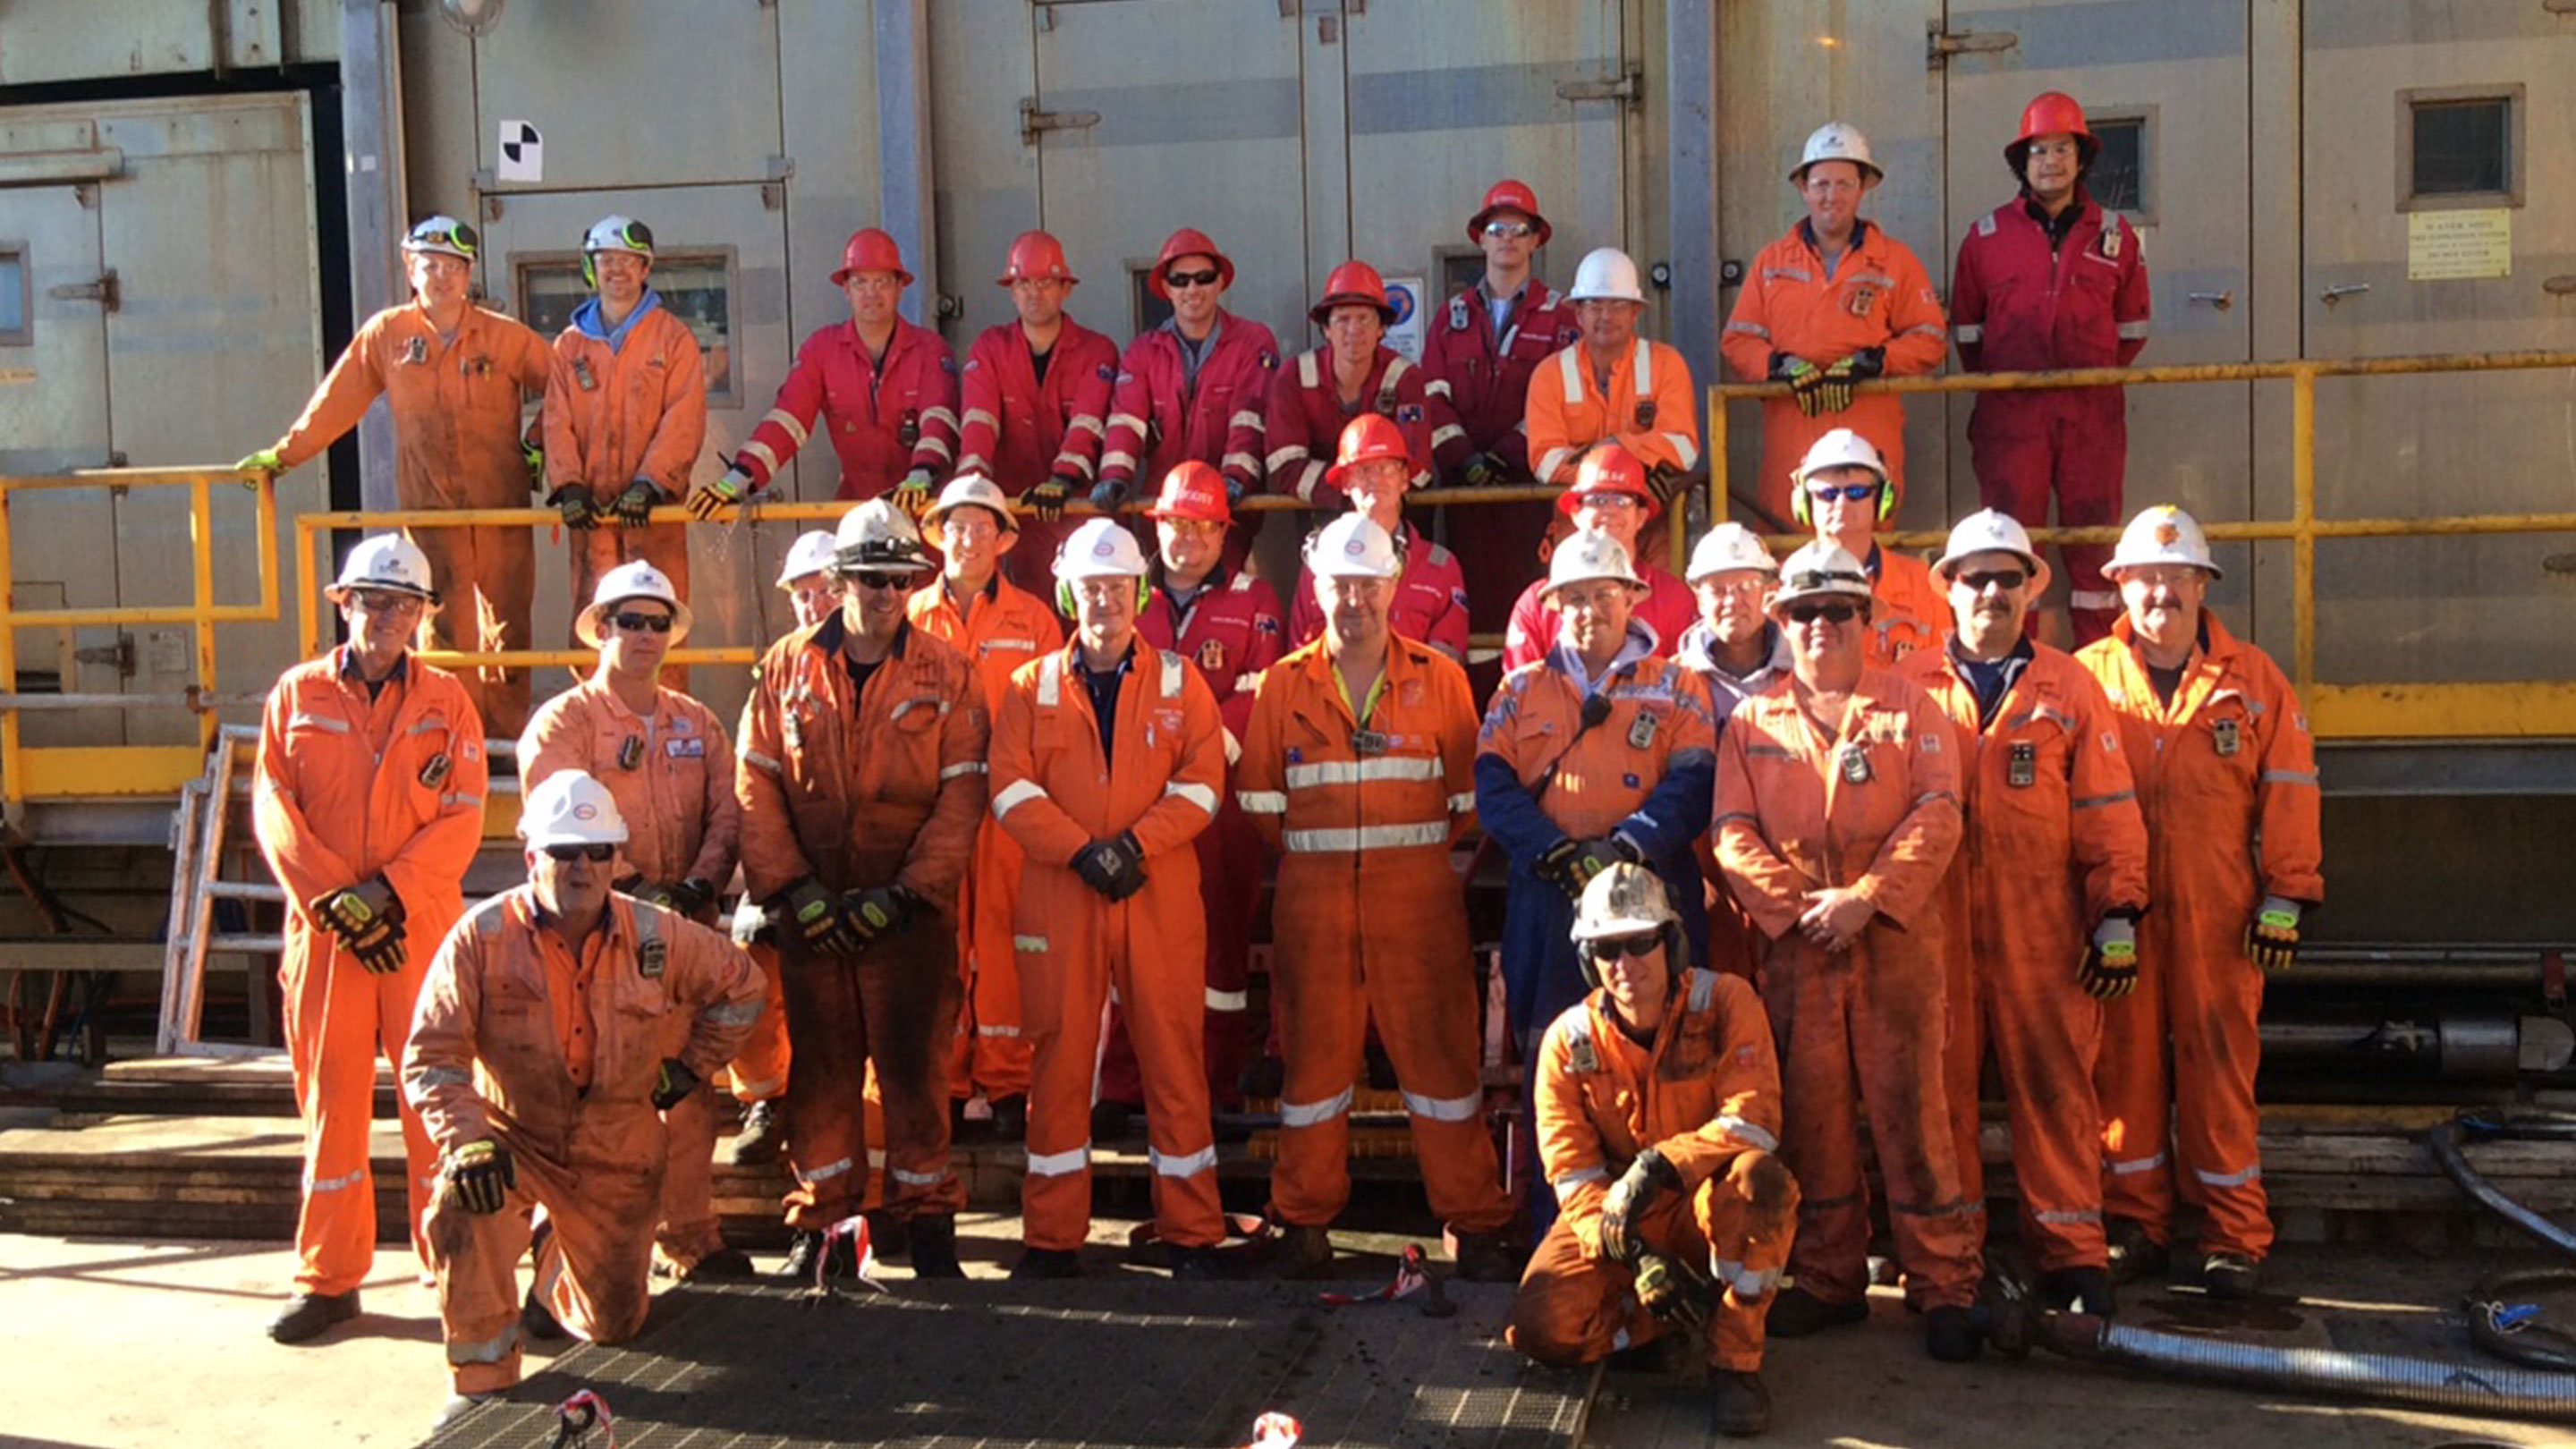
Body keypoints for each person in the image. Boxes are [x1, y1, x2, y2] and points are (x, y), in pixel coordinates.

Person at [405, 771, 760, 1421]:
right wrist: (468, 1142)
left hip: (618, 1149)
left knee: (614, 1327)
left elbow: (744, 988)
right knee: (463, 1203)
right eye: (565, 851)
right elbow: (432, 1055)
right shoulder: (479, 940)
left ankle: (552, 1266)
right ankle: (479, 1382)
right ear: (531, 855)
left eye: (598, 851)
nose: (582, 867)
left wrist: (686, 1071)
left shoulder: (657, 935)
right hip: (511, 1139)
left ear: (616, 859)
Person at [1711, 541, 1982, 1360]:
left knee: (1916, 1119)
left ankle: (1944, 1286)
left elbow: (1940, 812)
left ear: (1866, 618)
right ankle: (1830, 1282)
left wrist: (1866, 901)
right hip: (1801, 955)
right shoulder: (1753, 724)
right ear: (1782, 622)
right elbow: (1730, 834)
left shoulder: (1913, 708)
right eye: (1802, 612)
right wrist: (1801, 914)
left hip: (1895, 948)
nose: (1819, 626)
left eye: (1837, 610)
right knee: (1815, 1122)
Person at [1237, 513, 1521, 1282]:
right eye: (1341, 584)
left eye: (1369, 584)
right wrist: (1326, 856)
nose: (1354, 599)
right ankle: (1302, 1219)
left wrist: (1401, 856)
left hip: (1417, 903)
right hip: (1315, 905)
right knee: (1313, 1073)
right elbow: (1260, 800)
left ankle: (1474, 1219)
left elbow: (1467, 798)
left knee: (1442, 1068)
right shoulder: (1282, 685)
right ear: (1316, 588)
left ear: (1393, 587)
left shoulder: (1442, 679)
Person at [1898, 510, 2148, 1315]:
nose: (1993, 593)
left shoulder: (2067, 685)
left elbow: (2108, 808)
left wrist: (2117, 912)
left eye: (2009, 578)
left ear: (2030, 590)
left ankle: (2073, 1254)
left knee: (2055, 1086)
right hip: (1933, 933)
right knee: (1938, 1098)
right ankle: (1949, 1268)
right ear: (1950, 589)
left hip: (2041, 930)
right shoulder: (1909, 686)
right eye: (1977, 577)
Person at [734, 499, 987, 1280]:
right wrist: (794, 890)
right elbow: (756, 784)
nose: (886, 593)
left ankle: (929, 1226)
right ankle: (824, 1226)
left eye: (900, 578)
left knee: (915, 1074)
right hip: (815, 915)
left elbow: (962, 794)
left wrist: (907, 894)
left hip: (907, 921)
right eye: (872, 577)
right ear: (841, 578)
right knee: (822, 1075)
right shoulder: (785, 666)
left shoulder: (946, 672)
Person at [250, 533, 489, 1343]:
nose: (386, 616)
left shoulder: (447, 702)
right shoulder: (297, 695)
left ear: (424, 616)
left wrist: (386, 897)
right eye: (372, 600)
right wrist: (339, 905)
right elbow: (274, 810)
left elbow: (463, 814)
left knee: (438, 1104)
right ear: (342, 603)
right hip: (328, 942)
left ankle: (455, 1263)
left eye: (403, 604)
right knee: (334, 1109)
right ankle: (329, 1279)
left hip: (417, 934)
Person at [2078, 505, 2321, 1301]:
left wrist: (2286, 894)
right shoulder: (2085, 678)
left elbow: (2289, 789)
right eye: (2146, 579)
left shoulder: (2254, 681)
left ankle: (2234, 1237)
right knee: (2124, 1072)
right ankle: (2136, 1222)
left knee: (2221, 1072)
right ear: (2120, 586)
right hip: (2123, 917)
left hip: (2221, 918)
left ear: (2201, 586)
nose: (2161, 595)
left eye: (2177, 578)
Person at [989, 517, 1228, 1278]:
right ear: (1069, 593)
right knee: (1058, 1059)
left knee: (1172, 1055)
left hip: (1154, 890)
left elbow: (1203, 785)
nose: (1105, 602)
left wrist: (1131, 846)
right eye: (1092, 588)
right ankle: (1052, 1237)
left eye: (1118, 588)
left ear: (1141, 593)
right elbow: (1010, 789)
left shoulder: (1179, 682)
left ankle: (1192, 1232)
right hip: (1063, 892)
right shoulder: (1032, 687)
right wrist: (1082, 852)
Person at [516, 559, 746, 1280]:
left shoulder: (696, 721)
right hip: (593, 939)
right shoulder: (565, 722)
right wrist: (636, 889)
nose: (643, 636)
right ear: (600, 630)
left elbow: (728, 811)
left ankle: (691, 1238)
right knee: (586, 1094)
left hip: (682, 942)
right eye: (628, 621)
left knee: (684, 1090)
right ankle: (572, 1254)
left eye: (656, 623)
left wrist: (702, 881)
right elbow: (555, 824)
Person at [1511, 865, 1797, 1440]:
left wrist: (1662, 1164)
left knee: (1762, 1185)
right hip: (1618, 1213)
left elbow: (1755, 1120)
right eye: (1608, 948)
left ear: (1671, 943)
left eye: (1641, 942)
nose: (1626, 963)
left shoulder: (1726, 1002)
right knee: (1542, 1327)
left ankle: (1734, 1362)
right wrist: (1637, 1254)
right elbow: (1572, 1175)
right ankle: (1655, 1325)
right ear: (1589, 958)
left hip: (1706, 1199)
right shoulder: (1569, 1042)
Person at [236, 216, 549, 734]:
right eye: (430, 265)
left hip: (503, 509)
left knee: (508, 632)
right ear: (410, 266)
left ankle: (505, 744)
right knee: (442, 630)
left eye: (453, 267)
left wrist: (539, 447)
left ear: (469, 273)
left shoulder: (506, 338)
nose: (442, 277)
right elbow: (338, 401)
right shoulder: (388, 335)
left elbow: (567, 392)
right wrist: (286, 454)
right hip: (429, 512)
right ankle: (452, 738)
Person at [1477, 529, 1718, 1067]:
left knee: (1667, 1047)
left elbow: (1694, 782)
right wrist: (1554, 851)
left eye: (1605, 594)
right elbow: (1493, 787)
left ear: (1632, 597)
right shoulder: (1518, 690)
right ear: (1555, 605)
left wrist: (1626, 849)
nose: (1591, 610)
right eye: (1576, 598)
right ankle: (1560, 1155)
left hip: (1654, 888)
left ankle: (1666, 1153)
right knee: (1556, 1049)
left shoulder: (1678, 686)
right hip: (1548, 893)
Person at [1100, 462, 1286, 1124]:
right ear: (1160, 528)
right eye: (1177, 525)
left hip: (1220, 804)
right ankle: (1123, 1088)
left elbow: (1259, 691)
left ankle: (1215, 1084)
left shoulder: (1255, 600)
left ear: (1223, 533)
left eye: (1204, 527)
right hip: (1136, 798)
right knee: (1128, 938)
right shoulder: (1128, 594)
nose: (1189, 539)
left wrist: (1201, 755)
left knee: (1219, 944)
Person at [1953, 93, 2152, 646]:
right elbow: (1967, 333)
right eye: (2039, 150)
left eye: (2062, 149)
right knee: (2014, 547)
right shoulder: (1986, 237)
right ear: (2024, 162)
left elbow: (2133, 329)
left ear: (2080, 158)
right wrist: (2011, 384)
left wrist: (2086, 380)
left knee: (2096, 551)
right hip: (2010, 418)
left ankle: (2101, 675)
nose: (2051, 161)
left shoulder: (2114, 235)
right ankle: (2020, 669)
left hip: (2093, 415)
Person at [906, 474, 1065, 1136]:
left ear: (1002, 540)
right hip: (933, 802)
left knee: (1004, 935)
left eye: (980, 526)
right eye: (955, 525)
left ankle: (1005, 1081)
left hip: (1008, 801)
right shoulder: (910, 615)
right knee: (938, 937)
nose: (967, 538)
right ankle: (943, 1079)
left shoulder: (1034, 619)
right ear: (937, 535)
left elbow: (1057, 716)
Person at [1720, 123, 1946, 526]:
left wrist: (1876, 360)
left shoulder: (1895, 261)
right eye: (1821, 184)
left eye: (1844, 185)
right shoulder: (1772, 263)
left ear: (1862, 189)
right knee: (1788, 546)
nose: (1832, 196)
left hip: (1869, 430)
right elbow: (1739, 340)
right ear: (1803, 189)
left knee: (1867, 545)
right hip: (1792, 432)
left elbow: (1930, 339)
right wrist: (1778, 366)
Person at [723, 527, 844, 1168]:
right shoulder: (778, 666)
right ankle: (766, 1099)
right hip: (787, 868)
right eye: (802, 594)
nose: (813, 604)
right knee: (749, 962)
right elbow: (753, 777)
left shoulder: (887, 661)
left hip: (860, 869)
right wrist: (780, 880)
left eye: (825, 590)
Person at [688, 229, 958, 516]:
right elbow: (787, 421)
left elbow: (939, 422)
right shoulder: (822, 350)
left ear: (900, 288)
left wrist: (922, 476)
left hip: (925, 507)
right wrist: (738, 479)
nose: (871, 293)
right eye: (860, 282)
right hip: (858, 510)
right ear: (846, 289)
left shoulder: (929, 350)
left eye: (882, 282)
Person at [1421, 179, 1582, 627]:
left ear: (1535, 240)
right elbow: (1431, 394)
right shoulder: (1450, 316)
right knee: (1467, 605)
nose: (1507, 238)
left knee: (1531, 600)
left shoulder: (1561, 315)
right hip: (1463, 494)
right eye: (1497, 228)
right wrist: (1465, 459)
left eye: (1518, 228)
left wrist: (1501, 456)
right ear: (1480, 238)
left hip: (1529, 492)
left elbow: (1561, 401)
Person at [540, 216, 708, 640]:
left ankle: (665, 709)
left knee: (658, 627)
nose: (616, 269)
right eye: (606, 260)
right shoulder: (569, 345)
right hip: (590, 516)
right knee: (592, 626)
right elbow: (556, 419)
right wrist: (569, 486)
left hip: (654, 517)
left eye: (628, 260)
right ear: (590, 268)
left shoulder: (673, 339)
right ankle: (588, 710)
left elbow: (683, 416)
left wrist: (651, 483)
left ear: (646, 269)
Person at [955, 230, 1120, 588]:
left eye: (1045, 282)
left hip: (1077, 512)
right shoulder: (990, 350)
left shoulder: (1097, 352)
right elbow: (978, 424)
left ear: (1066, 288)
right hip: (1011, 515)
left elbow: (1087, 424)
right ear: (1012, 292)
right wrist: (972, 488)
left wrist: (1062, 479)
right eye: (1024, 283)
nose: (1034, 293)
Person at [1092, 227, 1281, 516]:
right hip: (1163, 504)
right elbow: (1126, 423)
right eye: (1180, 280)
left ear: (1220, 283)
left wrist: (1234, 480)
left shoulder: (1252, 342)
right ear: (1167, 289)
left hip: (1226, 508)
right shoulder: (1143, 352)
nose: (1192, 289)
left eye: (1203, 278)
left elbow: (1250, 419)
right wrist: (1115, 477)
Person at [1674, 523, 1791, 984]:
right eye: (1718, 588)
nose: (1732, 600)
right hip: (1702, 862)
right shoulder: (1671, 683)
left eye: (1746, 586)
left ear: (1769, 590)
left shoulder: (1806, 673)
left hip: (1788, 853)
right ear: (1697, 598)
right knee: (1717, 988)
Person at [1286, 414, 1472, 664]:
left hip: (1416, 699)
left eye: (1386, 467)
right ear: (1345, 482)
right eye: (1362, 470)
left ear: (1405, 479)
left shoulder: (1440, 566)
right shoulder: (1320, 564)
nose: (1375, 478)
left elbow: (1446, 664)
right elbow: (1302, 657)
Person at [1525, 248, 1699, 504]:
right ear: (1578, 315)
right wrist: (1630, 469)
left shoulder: (1666, 365)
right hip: (1578, 530)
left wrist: (1614, 446)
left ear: (1634, 313)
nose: (1606, 316)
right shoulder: (1549, 375)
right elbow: (1546, 463)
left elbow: (1683, 449)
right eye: (1594, 304)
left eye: (1617, 304)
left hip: (1651, 527)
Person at [1500, 445, 1695, 673]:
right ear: (1575, 514)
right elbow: (1519, 695)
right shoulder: (1536, 604)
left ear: (1641, 517)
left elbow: (1687, 691)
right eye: (1597, 500)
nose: (1609, 511)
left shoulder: (1673, 598)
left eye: (1622, 501)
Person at [1265, 260, 1431, 510]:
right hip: (1320, 514)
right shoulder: (1293, 378)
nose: (1354, 330)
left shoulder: (1406, 380)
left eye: (1364, 319)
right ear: (1326, 329)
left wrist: (1371, 495)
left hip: (1395, 514)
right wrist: (1352, 491)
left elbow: (1418, 466)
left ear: (1381, 329)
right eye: (1343, 319)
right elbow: (1284, 464)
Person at [1792, 428, 1946, 667]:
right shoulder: (1782, 585)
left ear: (1882, 499)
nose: (1842, 503)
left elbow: (1945, 674)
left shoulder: (1923, 584)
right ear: (1805, 502)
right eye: (1828, 494)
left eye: (1856, 492)